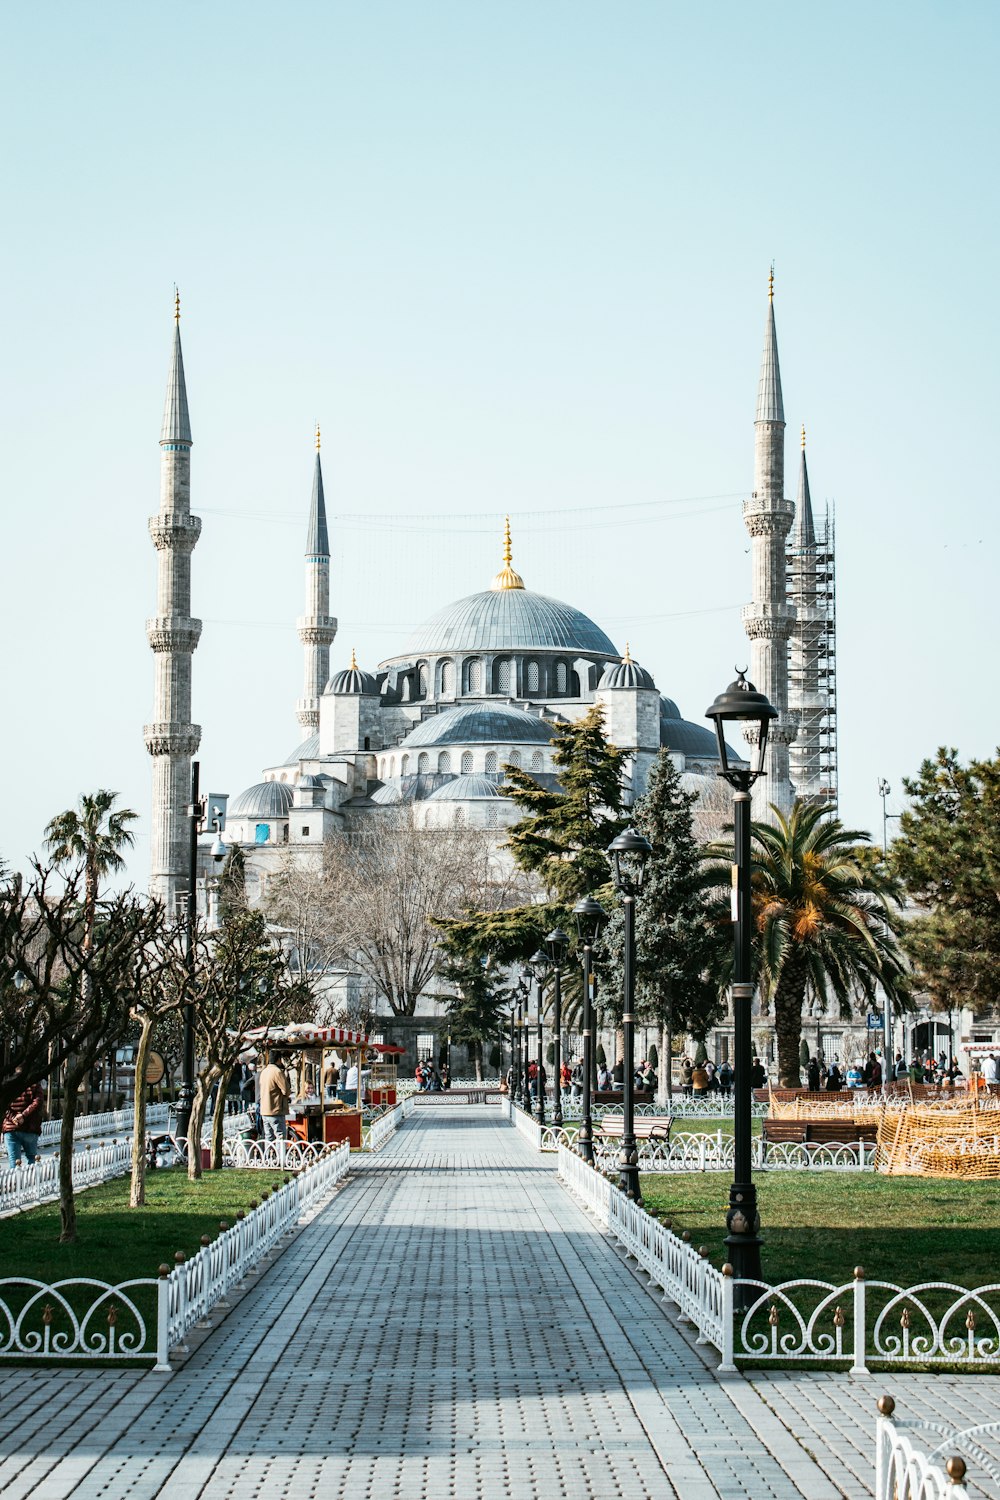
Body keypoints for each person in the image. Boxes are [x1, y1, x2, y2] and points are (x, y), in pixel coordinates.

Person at [3, 1081, 44, 1168]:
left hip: (11, 1128)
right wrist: (23, 1115)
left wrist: (13, 1117)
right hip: (30, 1128)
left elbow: (3, 1104)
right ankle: (31, 1180)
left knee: (14, 1162)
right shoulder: (35, 1084)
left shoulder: (7, 1083)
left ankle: (16, 1181)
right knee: (32, 1159)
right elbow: (38, 1102)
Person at [259, 1052, 290, 1142]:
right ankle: (280, 1156)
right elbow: (286, 1091)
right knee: (280, 1137)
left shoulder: (264, 1071)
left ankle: (268, 1156)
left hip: (264, 1110)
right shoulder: (277, 1072)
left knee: (269, 1138)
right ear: (279, 1060)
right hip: (275, 1110)